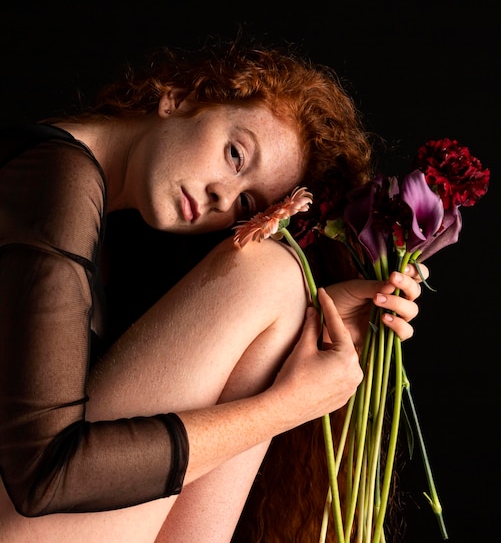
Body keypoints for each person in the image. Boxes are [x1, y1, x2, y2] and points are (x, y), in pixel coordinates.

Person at [0, 36, 426, 542]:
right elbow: (46, 475)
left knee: (284, 288)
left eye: (247, 206)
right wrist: (289, 406)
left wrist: (322, 314)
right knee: (270, 274)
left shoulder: (97, 212)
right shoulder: (59, 176)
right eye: (234, 153)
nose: (224, 196)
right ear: (179, 97)